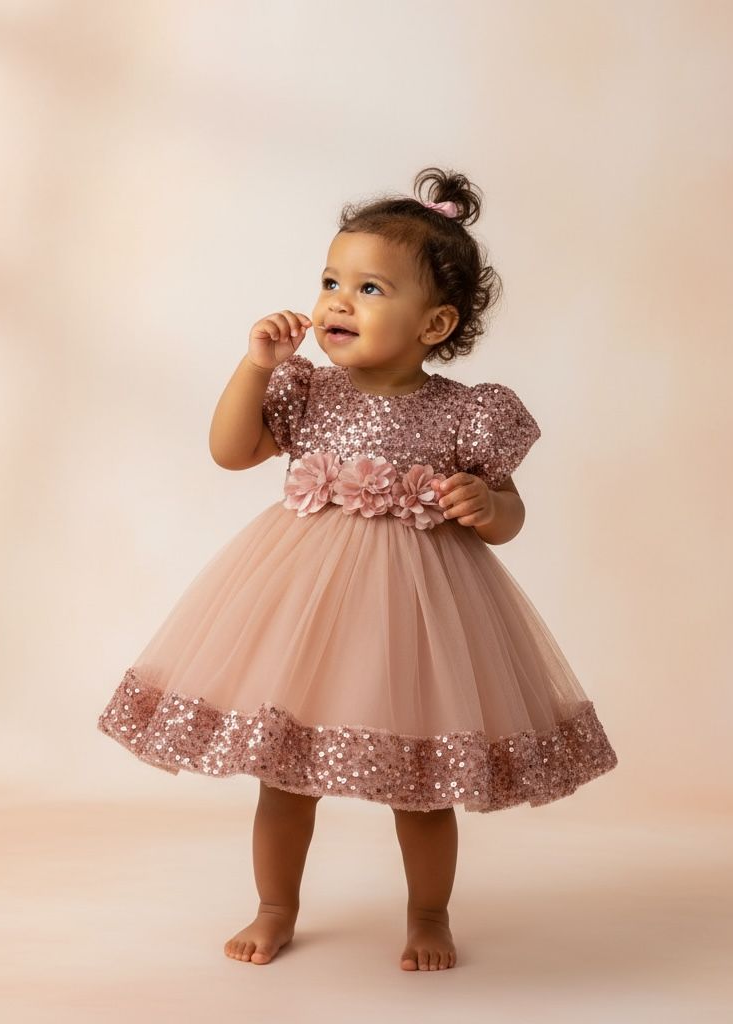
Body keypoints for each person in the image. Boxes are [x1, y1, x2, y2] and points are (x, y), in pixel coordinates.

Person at [97, 166, 618, 971]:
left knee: (421, 781)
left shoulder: (466, 412)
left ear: (435, 323)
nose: (338, 301)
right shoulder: (305, 390)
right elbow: (231, 452)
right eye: (331, 280)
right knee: (284, 767)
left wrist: (488, 505)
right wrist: (257, 365)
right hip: (302, 602)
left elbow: (508, 516)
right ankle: (275, 905)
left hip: (423, 613)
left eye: (370, 288)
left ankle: (430, 915)